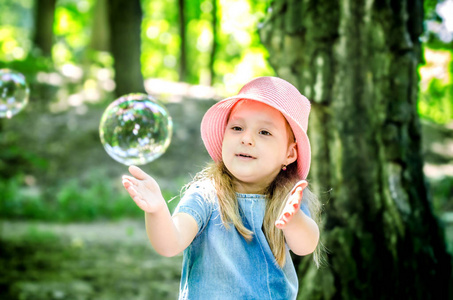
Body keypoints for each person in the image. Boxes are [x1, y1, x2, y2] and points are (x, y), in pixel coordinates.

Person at [122, 76, 322, 300]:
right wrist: (157, 211)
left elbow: (306, 245)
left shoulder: (288, 199)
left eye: (264, 132)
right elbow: (170, 244)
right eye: (237, 127)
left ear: (290, 153)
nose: (246, 138)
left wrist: (294, 221)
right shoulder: (207, 194)